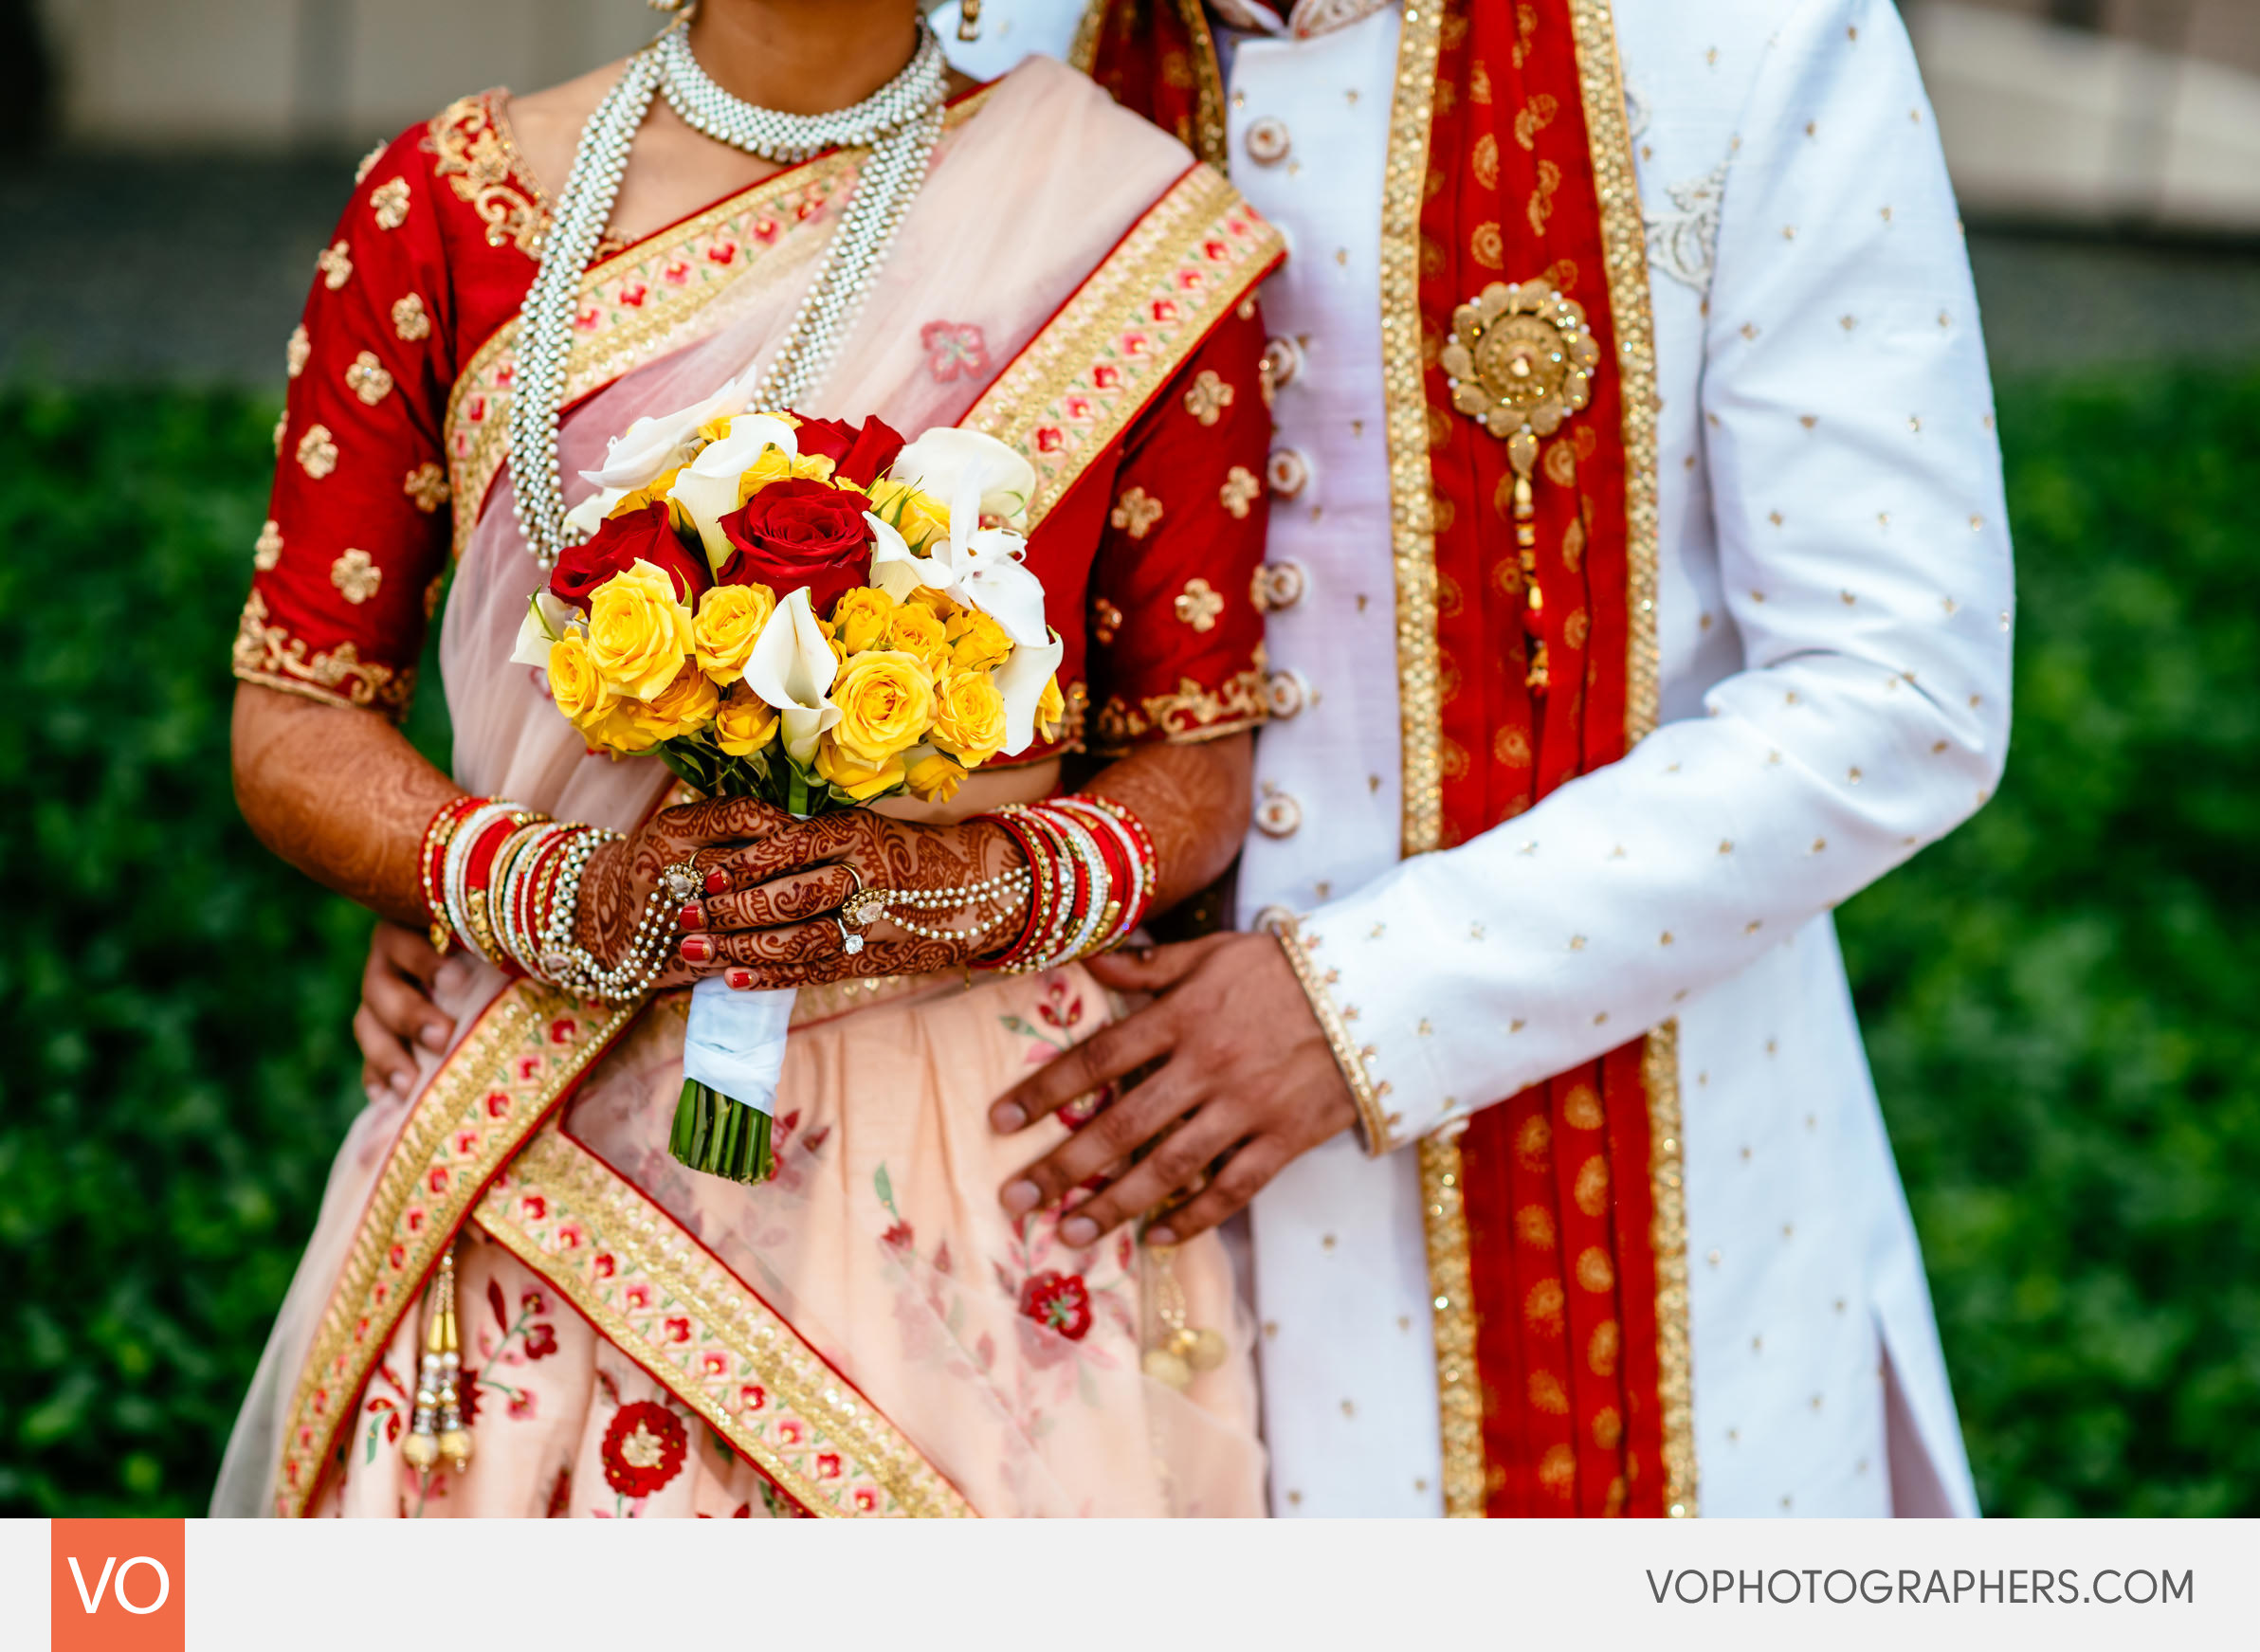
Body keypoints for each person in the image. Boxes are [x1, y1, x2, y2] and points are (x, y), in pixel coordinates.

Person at [355, 0, 2017, 1518]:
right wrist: (516, 865)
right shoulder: (982, 41)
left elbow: (1899, 684)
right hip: (1011, 1216)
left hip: (1611, 1162)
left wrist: (1353, 1004)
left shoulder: (1736, 40)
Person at [213, 0, 1285, 1519]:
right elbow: (296, 712)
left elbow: (1194, 762)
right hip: (535, 1117)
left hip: (967, 1161)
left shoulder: (1125, 225)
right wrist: (533, 880)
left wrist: (951, 888)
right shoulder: (448, 205)